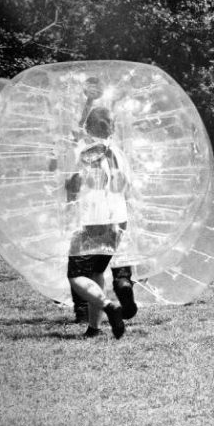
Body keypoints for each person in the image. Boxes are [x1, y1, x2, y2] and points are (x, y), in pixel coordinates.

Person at [68, 77, 138, 323]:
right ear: (111, 127)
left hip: (90, 218)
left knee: (79, 273)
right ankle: (120, 286)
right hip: (118, 216)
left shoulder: (83, 150)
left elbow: (75, 181)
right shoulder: (116, 151)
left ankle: (95, 309)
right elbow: (125, 184)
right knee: (104, 267)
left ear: (89, 128)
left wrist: (88, 100)